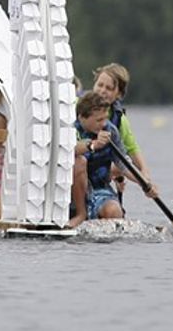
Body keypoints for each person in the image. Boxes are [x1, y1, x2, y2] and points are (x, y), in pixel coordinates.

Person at [67, 91, 143, 227]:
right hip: (72, 192)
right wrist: (93, 145)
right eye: (99, 120)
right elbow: (70, 150)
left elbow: (123, 164)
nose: (103, 124)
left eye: (105, 118)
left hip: (99, 188)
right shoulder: (70, 128)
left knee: (114, 212)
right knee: (80, 161)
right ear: (82, 117)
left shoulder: (111, 131)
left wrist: (144, 183)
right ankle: (81, 214)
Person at [91, 63, 159, 199]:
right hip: (77, 168)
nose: (102, 90)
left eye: (109, 88)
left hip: (98, 171)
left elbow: (132, 150)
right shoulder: (76, 106)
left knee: (118, 169)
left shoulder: (119, 121)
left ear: (119, 94)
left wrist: (145, 179)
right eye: (100, 85)